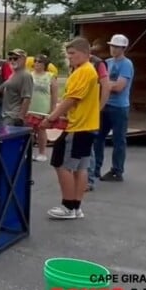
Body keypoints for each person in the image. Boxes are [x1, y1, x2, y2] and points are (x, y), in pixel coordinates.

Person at [40, 37, 100, 220]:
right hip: (87, 125)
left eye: (73, 54)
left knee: (61, 164)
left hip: (78, 127)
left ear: (84, 53)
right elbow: (74, 101)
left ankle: (68, 205)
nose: (70, 57)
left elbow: (71, 99)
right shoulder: (87, 71)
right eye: (69, 54)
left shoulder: (84, 71)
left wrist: (51, 118)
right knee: (80, 167)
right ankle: (76, 206)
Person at [90, 34, 134, 187]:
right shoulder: (107, 62)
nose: (113, 49)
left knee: (118, 140)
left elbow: (119, 87)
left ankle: (117, 171)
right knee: (97, 138)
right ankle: (95, 169)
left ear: (123, 48)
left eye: (117, 47)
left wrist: (105, 84)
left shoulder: (126, 64)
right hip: (105, 104)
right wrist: (107, 84)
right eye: (112, 46)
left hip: (119, 107)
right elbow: (99, 83)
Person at [0, 48, 33, 127]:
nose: (12, 61)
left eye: (15, 58)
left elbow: (27, 98)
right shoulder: (14, 74)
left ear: (24, 59)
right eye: (10, 58)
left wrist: (20, 118)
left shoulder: (26, 75)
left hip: (14, 117)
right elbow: (7, 83)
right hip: (7, 115)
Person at [28, 55, 57, 161]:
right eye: (35, 61)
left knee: (41, 130)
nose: (36, 63)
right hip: (30, 107)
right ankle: (29, 152)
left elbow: (54, 95)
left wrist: (53, 110)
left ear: (45, 64)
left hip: (43, 108)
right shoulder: (29, 75)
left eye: (39, 62)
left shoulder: (50, 76)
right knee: (29, 130)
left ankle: (42, 153)